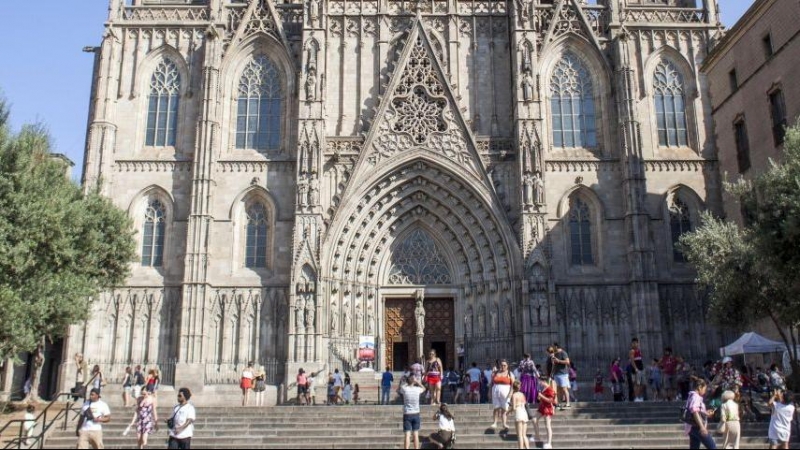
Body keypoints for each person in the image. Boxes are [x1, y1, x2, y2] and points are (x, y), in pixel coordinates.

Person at [684, 376, 716, 449]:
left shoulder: (691, 396)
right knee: (712, 447)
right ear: (699, 387)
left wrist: (705, 413)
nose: (705, 392)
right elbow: (695, 411)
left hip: (691, 427)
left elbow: (696, 410)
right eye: (704, 389)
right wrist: (702, 427)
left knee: (694, 447)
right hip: (697, 426)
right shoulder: (696, 397)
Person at [399, 376, 426, 449]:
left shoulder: (405, 389)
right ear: (413, 382)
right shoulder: (417, 389)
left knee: (407, 434)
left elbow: (400, 388)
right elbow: (424, 388)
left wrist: (407, 382)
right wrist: (417, 382)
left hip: (407, 413)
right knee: (415, 434)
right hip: (416, 413)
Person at [531, 375, 556, 450]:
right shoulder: (544, 388)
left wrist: (541, 396)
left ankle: (549, 443)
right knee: (534, 419)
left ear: (543, 381)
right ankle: (537, 436)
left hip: (547, 408)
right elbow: (543, 398)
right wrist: (540, 398)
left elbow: (550, 400)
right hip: (542, 407)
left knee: (547, 425)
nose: (539, 382)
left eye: (540, 381)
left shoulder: (550, 389)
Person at [490, 359, 514, 430]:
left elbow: (513, 385)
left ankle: (504, 423)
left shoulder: (510, 373)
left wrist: (510, 394)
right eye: (502, 365)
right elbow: (491, 383)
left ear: (507, 366)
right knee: (496, 408)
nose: (503, 366)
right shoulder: (496, 372)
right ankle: (495, 422)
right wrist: (489, 392)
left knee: (504, 409)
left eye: (504, 365)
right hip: (495, 391)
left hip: (506, 392)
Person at [551, 343, 571, 409]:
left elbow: (567, 362)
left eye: (553, 346)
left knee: (564, 388)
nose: (553, 348)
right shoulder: (555, 354)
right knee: (558, 390)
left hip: (563, 373)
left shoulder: (563, 353)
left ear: (556, 346)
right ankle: (559, 404)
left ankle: (568, 403)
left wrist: (558, 361)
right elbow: (554, 364)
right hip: (556, 373)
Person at [511, 380, 529, 449]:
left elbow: (514, 407)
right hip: (524, 412)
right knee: (524, 435)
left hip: (518, 412)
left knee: (519, 435)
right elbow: (524, 403)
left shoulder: (514, 395)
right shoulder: (522, 394)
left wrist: (508, 412)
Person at [629, 338, 645, 402]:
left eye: (636, 343)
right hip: (636, 370)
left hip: (641, 369)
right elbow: (632, 361)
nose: (635, 344)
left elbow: (640, 360)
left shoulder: (639, 351)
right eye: (633, 343)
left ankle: (639, 396)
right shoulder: (632, 351)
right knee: (637, 384)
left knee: (642, 384)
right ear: (632, 344)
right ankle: (636, 397)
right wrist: (636, 368)